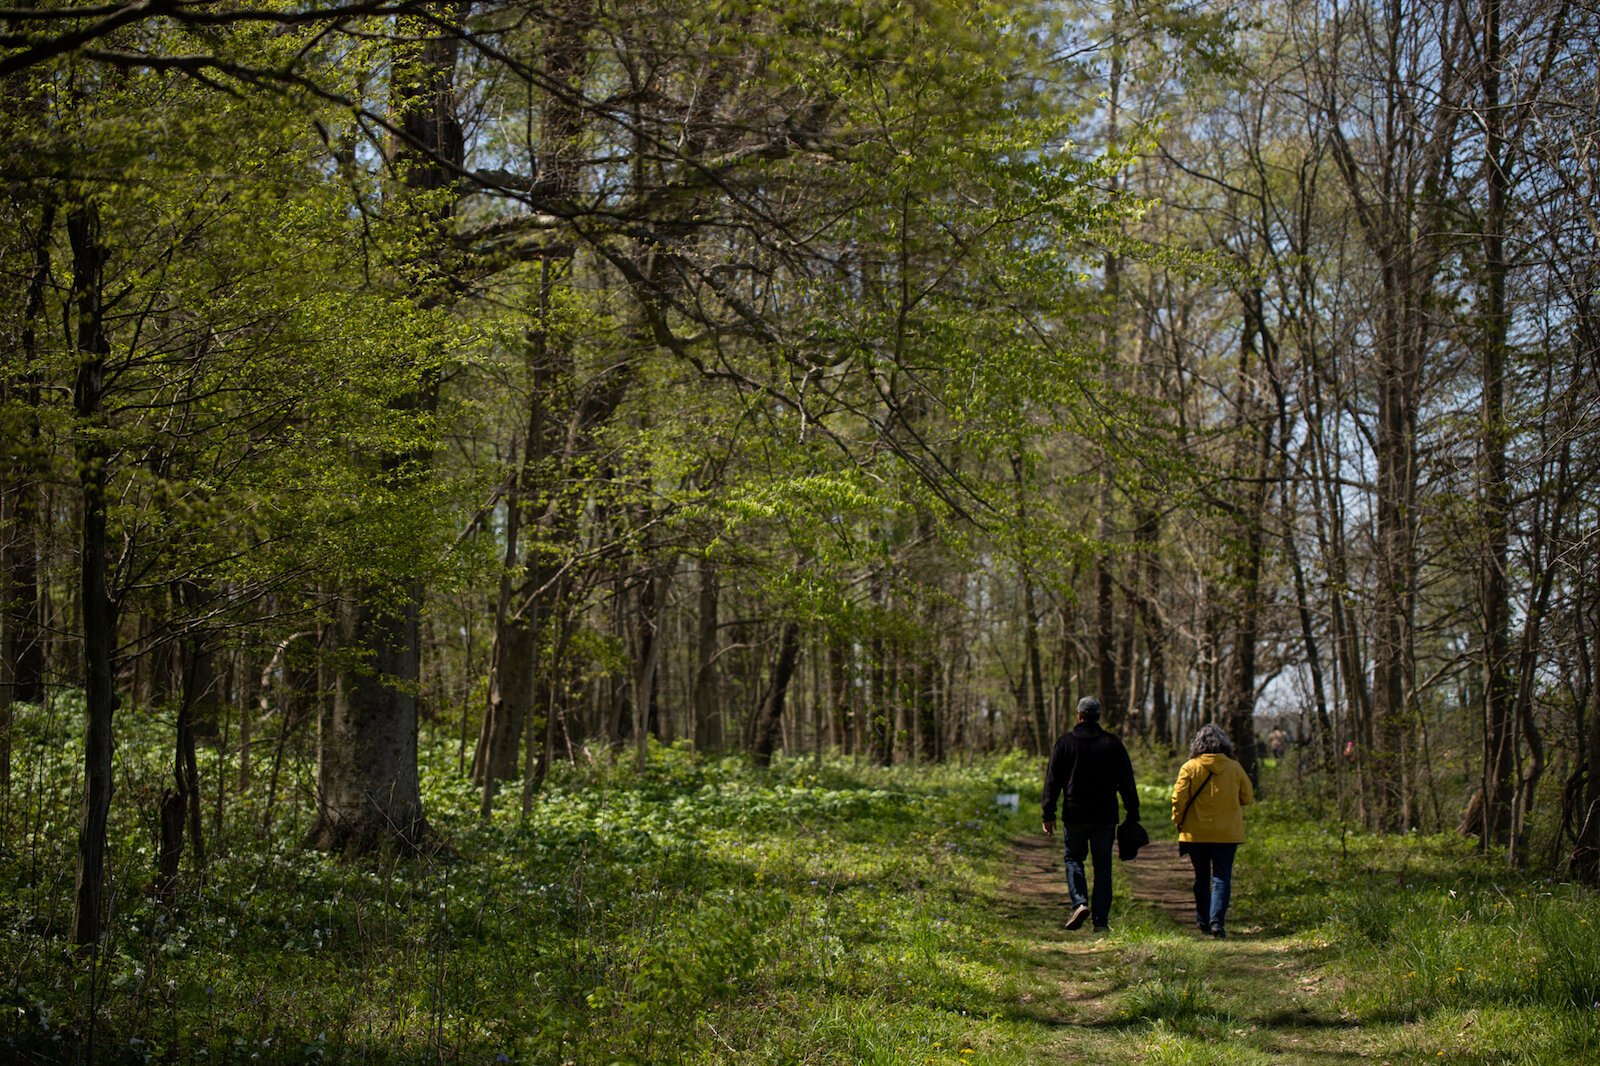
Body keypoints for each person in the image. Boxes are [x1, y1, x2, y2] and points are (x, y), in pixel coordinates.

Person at [1041, 697, 1140, 933]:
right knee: (1103, 865)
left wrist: (1048, 812)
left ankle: (1079, 902)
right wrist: (1132, 811)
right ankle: (1101, 921)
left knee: (1074, 859)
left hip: (1074, 814)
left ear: (1079, 715)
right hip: (1105, 816)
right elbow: (1127, 780)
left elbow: (1052, 780)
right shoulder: (1112, 744)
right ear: (1098, 716)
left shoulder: (1065, 743)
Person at [1171, 722, 1254, 938]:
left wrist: (1177, 820)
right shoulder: (1235, 768)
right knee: (1221, 877)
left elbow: (1178, 799)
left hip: (1195, 833)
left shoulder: (1189, 767)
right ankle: (1217, 921)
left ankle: (1202, 920)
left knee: (1201, 877)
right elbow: (1247, 797)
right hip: (1227, 833)